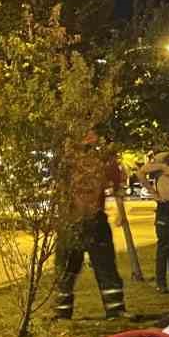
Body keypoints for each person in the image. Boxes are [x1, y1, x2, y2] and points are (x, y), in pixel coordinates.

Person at [54, 133, 127, 320]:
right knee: (72, 269)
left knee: (97, 267)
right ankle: (113, 311)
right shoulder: (70, 164)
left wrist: (120, 211)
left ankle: (114, 310)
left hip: (84, 221)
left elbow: (117, 185)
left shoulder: (73, 163)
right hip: (77, 221)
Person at [137, 136, 169, 292]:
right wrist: (153, 193)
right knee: (164, 246)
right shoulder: (162, 158)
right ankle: (161, 283)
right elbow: (141, 173)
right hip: (165, 207)